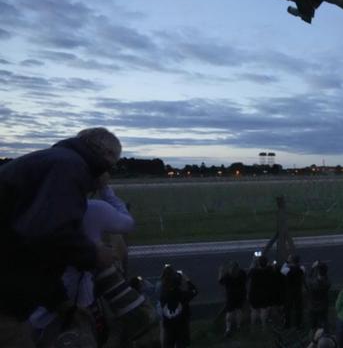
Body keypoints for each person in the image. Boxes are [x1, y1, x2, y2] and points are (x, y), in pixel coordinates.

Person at [0, 127, 121, 347]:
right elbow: (48, 233)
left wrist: (59, 302)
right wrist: (94, 254)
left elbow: (34, 249)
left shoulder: (58, 162)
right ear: (105, 154)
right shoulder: (70, 167)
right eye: (112, 164)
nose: (108, 173)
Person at [28, 182, 135, 345]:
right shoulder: (94, 209)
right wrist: (106, 189)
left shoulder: (32, 214)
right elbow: (128, 223)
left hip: (38, 313)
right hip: (80, 305)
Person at [159, 270, 197, 348]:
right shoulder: (182, 295)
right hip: (182, 326)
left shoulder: (163, 295)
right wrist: (187, 280)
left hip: (168, 326)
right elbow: (194, 291)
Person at [218, 261, 247, 336]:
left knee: (229, 312)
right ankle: (239, 326)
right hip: (241, 294)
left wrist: (220, 271)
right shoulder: (242, 273)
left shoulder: (227, 275)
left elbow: (220, 281)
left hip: (230, 296)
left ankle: (228, 328)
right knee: (239, 310)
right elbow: (246, 279)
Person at [247, 253, 272, 330]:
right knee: (264, 310)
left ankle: (253, 327)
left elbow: (250, 270)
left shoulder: (254, 271)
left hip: (254, 293)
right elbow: (270, 266)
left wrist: (254, 261)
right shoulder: (269, 270)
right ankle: (264, 327)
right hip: (265, 293)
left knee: (254, 310)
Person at [306, 260, 331, 330]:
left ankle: (313, 339)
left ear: (318, 272)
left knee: (312, 327)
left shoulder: (312, 284)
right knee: (323, 327)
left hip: (312, 307)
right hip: (323, 307)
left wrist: (313, 268)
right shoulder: (327, 283)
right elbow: (326, 277)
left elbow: (308, 278)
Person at [282, 254, 305, 329]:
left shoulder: (287, 270)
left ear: (291, 261)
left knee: (287, 309)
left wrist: (287, 261)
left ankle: (287, 324)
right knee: (298, 308)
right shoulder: (302, 269)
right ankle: (299, 324)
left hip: (289, 291)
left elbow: (282, 269)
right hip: (298, 290)